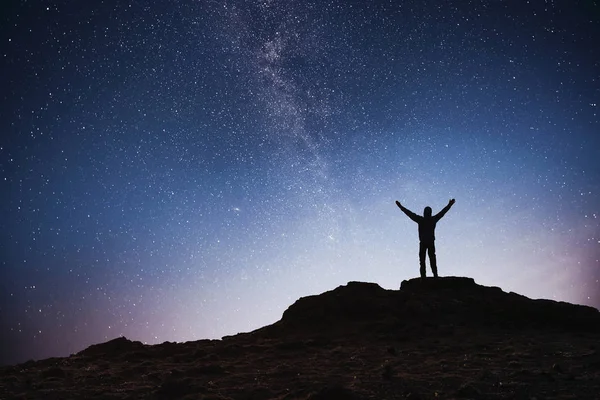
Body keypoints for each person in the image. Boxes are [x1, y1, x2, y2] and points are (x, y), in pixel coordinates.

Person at [395, 199, 455, 278]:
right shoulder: (432, 219)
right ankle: (433, 276)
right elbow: (442, 212)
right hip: (428, 242)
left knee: (425, 260)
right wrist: (449, 205)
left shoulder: (421, 219)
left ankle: (426, 277)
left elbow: (409, 213)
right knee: (430, 259)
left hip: (425, 242)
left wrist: (400, 206)